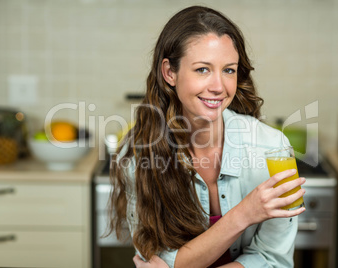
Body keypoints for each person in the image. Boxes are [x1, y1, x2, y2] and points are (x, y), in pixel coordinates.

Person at [108, 5, 306, 268]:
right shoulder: (136, 155)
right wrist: (244, 214)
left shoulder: (274, 147)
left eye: (229, 70)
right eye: (203, 69)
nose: (219, 87)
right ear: (170, 72)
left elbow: (275, 260)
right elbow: (158, 259)